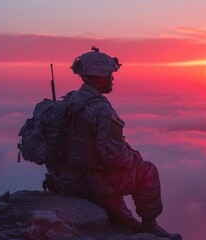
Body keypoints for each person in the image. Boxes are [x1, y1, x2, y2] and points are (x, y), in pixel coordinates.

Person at [44, 46, 182, 240]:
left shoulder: (68, 101)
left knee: (126, 219)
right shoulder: (100, 109)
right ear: (99, 76)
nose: (113, 78)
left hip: (61, 180)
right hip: (85, 184)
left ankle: (124, 220)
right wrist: (134, 158)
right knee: (148, 171)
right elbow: (114, 155)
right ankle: (150, 225)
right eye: (110, 74)